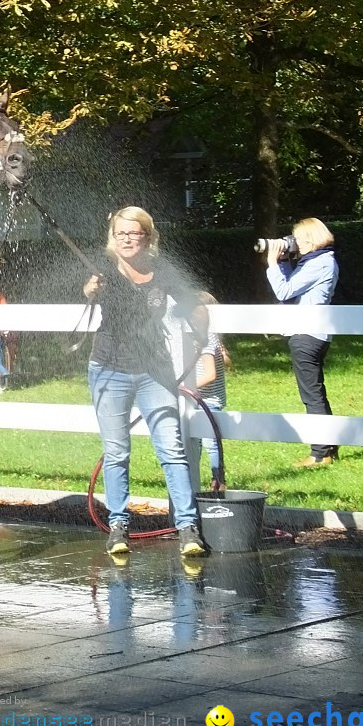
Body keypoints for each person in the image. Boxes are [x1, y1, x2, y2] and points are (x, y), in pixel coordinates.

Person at [83, 206, 209, 557]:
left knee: (172, 449)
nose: (125, 238)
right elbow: (90, 287)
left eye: (133, 232)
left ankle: (187, 527)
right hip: (109, 369)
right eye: (120, 232)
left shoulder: (162, 268)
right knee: (117, 452)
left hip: (155, 371)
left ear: (147, 236)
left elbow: (193, 302)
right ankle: (118, 526)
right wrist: (91, 290)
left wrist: (201, 334)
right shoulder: (104, 267)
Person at [264, 218, 339, 468]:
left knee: (311, 395)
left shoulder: (319, 263)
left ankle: (319, 454)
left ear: (310, 238)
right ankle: (329, 448)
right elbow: (292, 289)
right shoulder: (317, 261)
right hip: (311, 334)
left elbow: (283, 292)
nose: (294, 243)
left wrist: (272, 263)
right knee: (316, 392)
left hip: (307, 335)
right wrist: (284, 262)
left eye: (297, 238)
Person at [193, 291, 230, 492]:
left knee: (210, 442)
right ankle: (197, 480)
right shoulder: (206, 337)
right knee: (196, 442)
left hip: (208, 400)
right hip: (199, 399)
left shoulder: (207, 339)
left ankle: (218, 480)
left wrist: (185, 386)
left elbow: (210, 374)